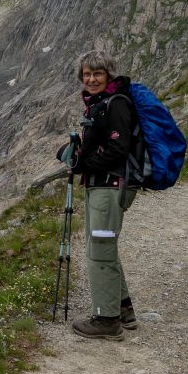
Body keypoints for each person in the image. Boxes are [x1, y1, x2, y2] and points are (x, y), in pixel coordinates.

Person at [56, 50, 137, 341]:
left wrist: (82, 165)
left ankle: (107, 320)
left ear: (108, 75)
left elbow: (118, 149)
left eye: (97, 74)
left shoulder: (115, 104)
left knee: (99, 251)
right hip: (101, 186)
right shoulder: (101, 103)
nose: (91, 79)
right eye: (87, 74)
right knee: (104, 246)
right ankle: (124, 309)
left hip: (108, 187)